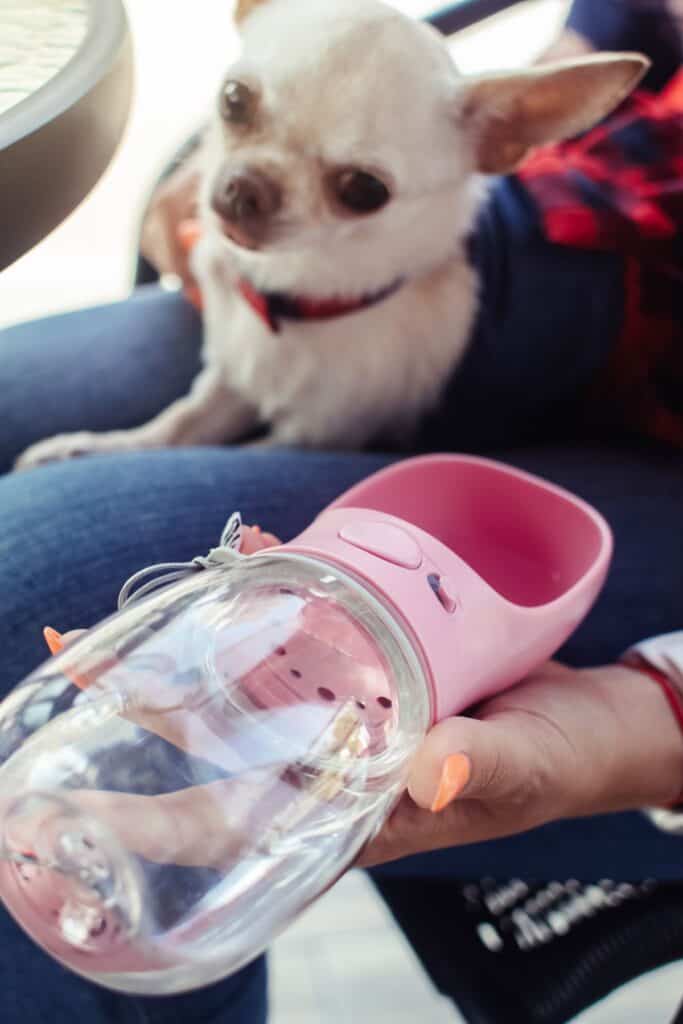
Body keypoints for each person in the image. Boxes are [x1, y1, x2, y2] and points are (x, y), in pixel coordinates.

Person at [0, 1, 682, 1020]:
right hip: (581, 195)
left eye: (353, 183)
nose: (246, 180)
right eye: (240, 107)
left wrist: (654, 720)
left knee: (37, 596)